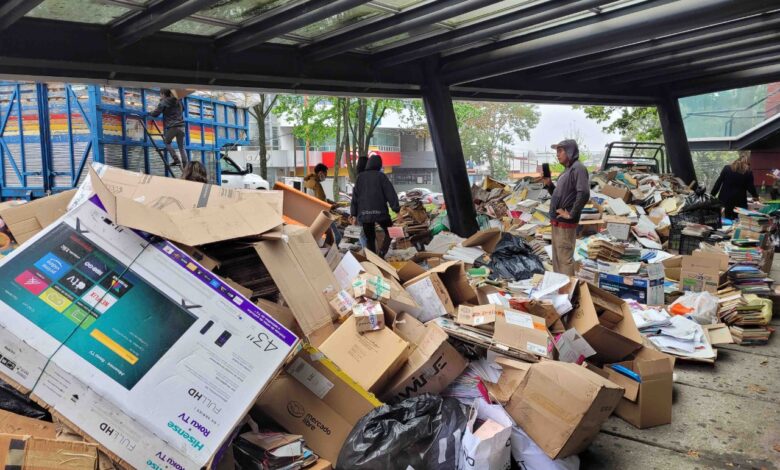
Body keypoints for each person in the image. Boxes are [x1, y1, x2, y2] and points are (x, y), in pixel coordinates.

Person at [543, 139, 589, 276]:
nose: (557, 155)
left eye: (560, 151)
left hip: (566, 224)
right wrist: (549, 184)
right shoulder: (567, 171)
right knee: (557, 259)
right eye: (556, 151)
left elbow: (584, 193)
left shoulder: (578, 168)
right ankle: (561, 291)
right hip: (557, 222)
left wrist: (571, 214)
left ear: (570, 151)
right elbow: (559, 195)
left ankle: (569, 293)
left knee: (564, 259)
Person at [351, 153, 400, 257]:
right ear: (379, 165)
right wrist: (396, 210)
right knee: (391, 231)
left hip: (364, 214)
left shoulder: (360, 178)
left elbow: (355, 198)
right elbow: (390, 193)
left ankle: (373, 260)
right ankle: (382, 253)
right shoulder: (381, 176)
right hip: (380, 213)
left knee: (370, 238)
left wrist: (354, 215)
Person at [710, 154, 758, 219]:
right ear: (747, 164)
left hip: (725, 200)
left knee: (726, 219)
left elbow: (718, 183)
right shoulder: (748, 172)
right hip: (739, 201)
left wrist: (711, 196)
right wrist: (755, 196)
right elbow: (750, 187)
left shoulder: (726, 168)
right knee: (738, 220)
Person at [150, 88, 187, 166]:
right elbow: (183, 109)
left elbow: (155, 114)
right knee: (181, 147)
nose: (160, 96)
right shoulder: (179, 101)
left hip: (173, 126)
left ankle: (176, 159)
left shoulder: (163, 102)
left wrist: (149, 112)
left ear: (163, 94)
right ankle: (185, 165)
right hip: (182, 126)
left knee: (167, 142)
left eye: (160, 94)